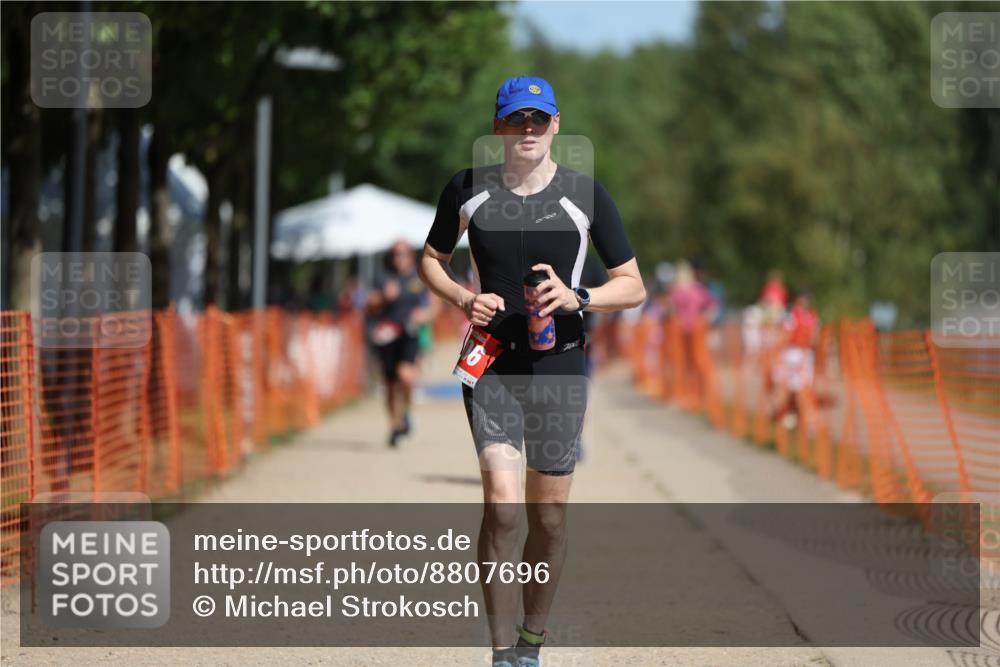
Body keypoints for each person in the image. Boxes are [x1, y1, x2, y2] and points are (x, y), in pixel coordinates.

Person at [418, 75, 645, 667]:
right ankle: (500, 654)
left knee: (547, 515)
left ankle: (531, 642)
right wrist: (464, 300)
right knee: (502, 506)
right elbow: (431, 260)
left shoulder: (585, 195)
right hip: (492, 363)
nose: (527, 129)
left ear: (556, 126)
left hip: (560, 366)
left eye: (538, 119)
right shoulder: (467, 190)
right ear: (498, 127)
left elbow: (634, 285)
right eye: (516, 119)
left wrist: (580, 298)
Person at [367, 240, 432, 447]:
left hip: (409, 334)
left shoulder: (418, 277)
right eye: (395, 254)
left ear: (410, 255)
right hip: (386, 335)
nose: (398, 257)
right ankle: (395, 426)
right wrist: (383, 298)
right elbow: (369, 305)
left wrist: (423, 315)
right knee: (389, 385)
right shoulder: (383, 277)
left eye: (402, 253)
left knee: (405, 375)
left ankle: (407, 413)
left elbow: (433, 306)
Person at [772, 290, 821, 428]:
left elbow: (815, 337)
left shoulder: (812, 315)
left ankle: (802, 419)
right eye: (805, 299)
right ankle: (783, 415)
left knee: (802, 388)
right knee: (787, 387)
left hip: (805, 354)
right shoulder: (791, 314)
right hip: (792, 353)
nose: (807, 302)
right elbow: (784, 334)